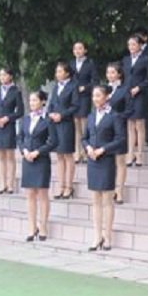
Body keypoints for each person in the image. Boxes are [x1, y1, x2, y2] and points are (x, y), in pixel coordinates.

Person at [82, 85, 126, 252]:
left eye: (98, 96)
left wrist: (103, 149)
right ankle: (97, 236)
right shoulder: (91, 115)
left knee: (107, 200)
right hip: (92, 160)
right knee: (95, 201)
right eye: (94, 96)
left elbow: (120, 139)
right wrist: (88, 148)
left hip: (106, 160)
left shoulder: (114, 116)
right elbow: (84, 137)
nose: (95, 99)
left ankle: (108, 236)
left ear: (107, 97)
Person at [18, 90, 58, 242]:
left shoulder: (47, 120)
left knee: (42, 194)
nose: (32, 103)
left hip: (41, 160)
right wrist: (24, 150)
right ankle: (31, 226)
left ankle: (43, 226)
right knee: (30, 194)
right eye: (30, 100)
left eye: (35, 100)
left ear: (42, 102)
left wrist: (38, 152)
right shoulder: (26, 119)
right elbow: (20, 138)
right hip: (27, 159)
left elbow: (53, 141)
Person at [122, 32, 148, 165]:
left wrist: (139, 88)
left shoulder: (146, 59)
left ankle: (140, 154)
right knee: (130, 124)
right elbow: (124, 77)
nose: (131, 47)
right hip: (128, 94)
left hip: (141, 94)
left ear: (140, 45)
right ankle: (130, 153)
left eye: (134, 44)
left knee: (139, 124)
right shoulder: (126, 60)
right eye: (129, 45)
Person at [0, 67, 24, 195]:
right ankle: (2, 183)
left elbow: (20, 111)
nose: (2, 77)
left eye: (4, 75)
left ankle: (10, 184)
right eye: (0, 75)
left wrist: (7, 118)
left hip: (9, 126)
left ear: (10, 76)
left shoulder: (16, 92)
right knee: (0, 157)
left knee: (10, 156)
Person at [49, 61, 80, 200]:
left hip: (66, 123)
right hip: (54, 123)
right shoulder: (56, 86)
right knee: (59, 156)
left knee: (67, 155)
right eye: (57, 72)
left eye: (60, 71)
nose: (57, 74)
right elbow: (51, 103)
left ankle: (69, 186)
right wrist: (50, 113)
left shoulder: (73, 86)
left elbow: (75, 106)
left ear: (67, 73)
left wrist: (62, 115)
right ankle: (60, 185)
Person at [106, 62, 133, 205]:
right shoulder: (104, 89)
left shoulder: (124, 89)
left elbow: (130, 110)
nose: (110, 75)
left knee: (120, 161)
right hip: (105, 129)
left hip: (119, 128)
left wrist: (117, 117)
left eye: (113, 72)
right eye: (108, 73)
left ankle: (120, 190)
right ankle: (110, 188)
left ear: (119, 74)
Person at [70, 41, 98, 164]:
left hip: (85, 96)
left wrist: (85, 88)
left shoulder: (90, 63)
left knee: (84, 124)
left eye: (80, 48)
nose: (77, 51)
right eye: (75, 48)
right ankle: (77, 151)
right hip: (74, 96)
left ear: (85, 50)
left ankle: (85, 151)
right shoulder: (71, 63)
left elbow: (95, 81)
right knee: (76, 124)